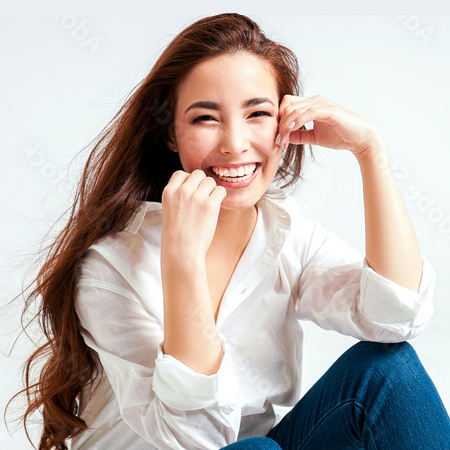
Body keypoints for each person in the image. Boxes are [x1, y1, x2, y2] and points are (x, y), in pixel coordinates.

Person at [8, 13, 450, 450]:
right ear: (170, 134)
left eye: (258, 113)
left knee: (390, 372)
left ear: (285, 122)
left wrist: (370, 150)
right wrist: (182, 258)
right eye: (205, 119)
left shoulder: (286, 234)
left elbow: (395, 318)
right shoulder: (111, 266)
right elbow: (196, 439)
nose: (235, 144)